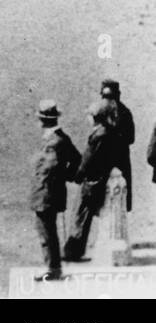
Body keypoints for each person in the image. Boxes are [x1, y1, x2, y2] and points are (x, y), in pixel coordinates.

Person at [62, 101, 120, 263]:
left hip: (92, 181)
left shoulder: (97, 135)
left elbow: (87, 160)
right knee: (83, 216)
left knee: (81, 216)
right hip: (99, 178)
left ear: (95, 117)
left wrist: (77, 176)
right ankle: (75, 251)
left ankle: (73, 252)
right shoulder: (108, 132)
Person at [30, 99, 80, 281]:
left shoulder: (54, 141)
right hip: (50, 192)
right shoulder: (61, 138)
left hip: (46, 194)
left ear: (42, 120)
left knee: (46, 233)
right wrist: (68, 176)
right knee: (48, 231)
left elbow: (49, 169)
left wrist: (63, 176)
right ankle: (54, 267)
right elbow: (77, 159)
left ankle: (52, 269)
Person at [99, 79, 135, 212]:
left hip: (115, 161)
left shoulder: (123, 113)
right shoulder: (124, 112)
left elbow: (131, 138)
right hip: (116, 161)